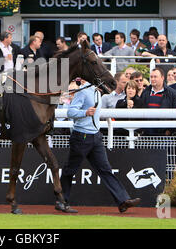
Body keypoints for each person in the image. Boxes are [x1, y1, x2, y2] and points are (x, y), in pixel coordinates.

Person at [59, 80, 141, 213]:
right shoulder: (82, 92)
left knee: (105, 169)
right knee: (70, 170)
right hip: (81, 136)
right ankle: (61, 201)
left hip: (95, 137)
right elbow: (71, 112)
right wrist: (85, 113)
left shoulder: (97, 91)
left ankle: (122, 201)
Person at [140, 68, 176, 136]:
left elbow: (175, 114)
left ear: (162, 78)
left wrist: (169, 130)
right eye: (151, 77)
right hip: (147, 132)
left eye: (155, 77)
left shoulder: (173, 93)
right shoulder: (145, 92)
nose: (152, 79)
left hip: (164, 133)